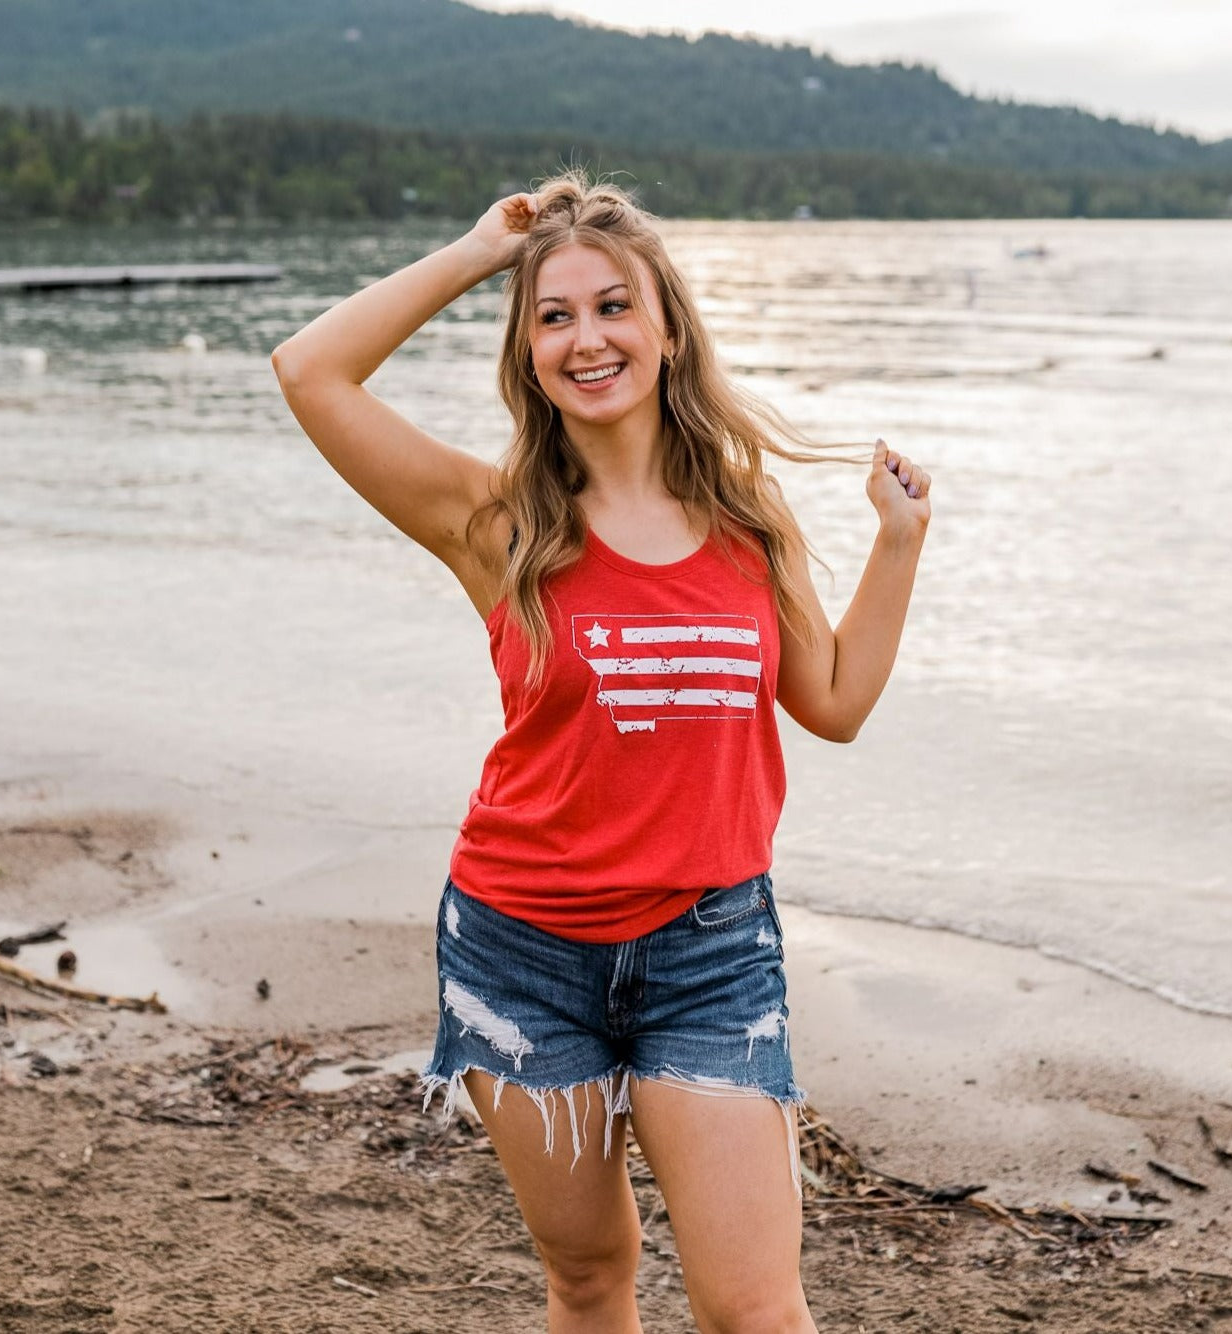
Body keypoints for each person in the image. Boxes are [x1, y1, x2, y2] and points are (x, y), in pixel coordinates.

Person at [272, 171, 930, 1334]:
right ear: (527, 353)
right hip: (522, 953)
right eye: (554, 314)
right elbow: (308, 370)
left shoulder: (748, 527)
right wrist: (481, 251)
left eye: (613, 305)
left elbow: (829, 701)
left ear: (667, 328)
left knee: (756, 1308)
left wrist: (898, 541)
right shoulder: (496, 522)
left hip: (710, 955)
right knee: (586, 1275)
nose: (587, 337)